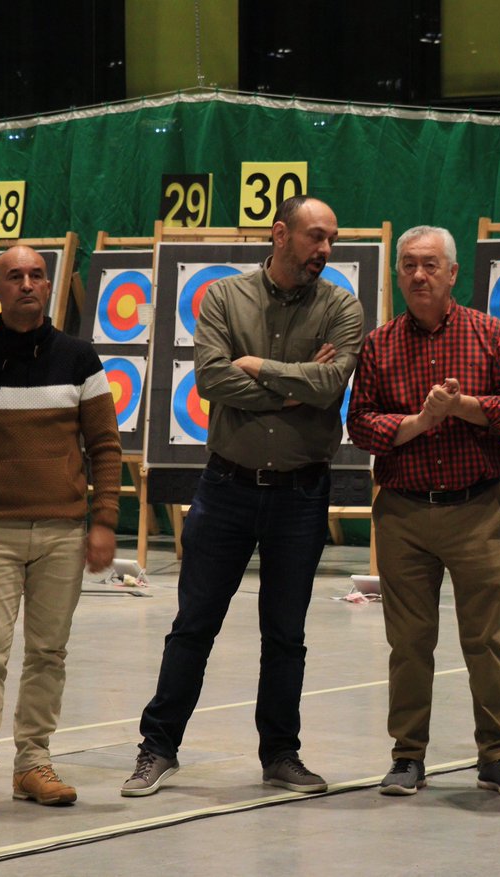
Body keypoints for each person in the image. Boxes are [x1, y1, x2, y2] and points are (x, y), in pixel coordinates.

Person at [120, 196, 363, 797]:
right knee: (193, 624)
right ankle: (158, 748)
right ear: (279, 234)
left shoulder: (342, 306)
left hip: (300, 495)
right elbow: (210, 377)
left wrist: (257, 367)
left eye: (331, 239)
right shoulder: (225, 297)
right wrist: (290, 385)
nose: (325, 251)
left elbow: (331, 384)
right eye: (314, 237)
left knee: (286, 632)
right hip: (226, 488)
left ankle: (281, 753)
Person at [0, 246, 122, 820]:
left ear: (47, 285)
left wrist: (103, 521)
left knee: (48, 654)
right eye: (16, 276)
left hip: (63, 534)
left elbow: (106, 447)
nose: (28, 283)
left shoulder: (81, 358)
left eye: (37, 274)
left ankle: (34, 764)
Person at [347, 225, 500, 798]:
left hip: (475, 510)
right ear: (398, 274)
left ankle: (497, 755)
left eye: (431, 265)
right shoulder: (379, 343)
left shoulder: (488, 332)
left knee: (485, 640)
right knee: (408, 643)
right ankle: (408, 756)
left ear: (454, 273)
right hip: (403, 514)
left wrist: (464, 407)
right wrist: (419, 423)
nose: (419, 275)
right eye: (408, 265)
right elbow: (360, 424)